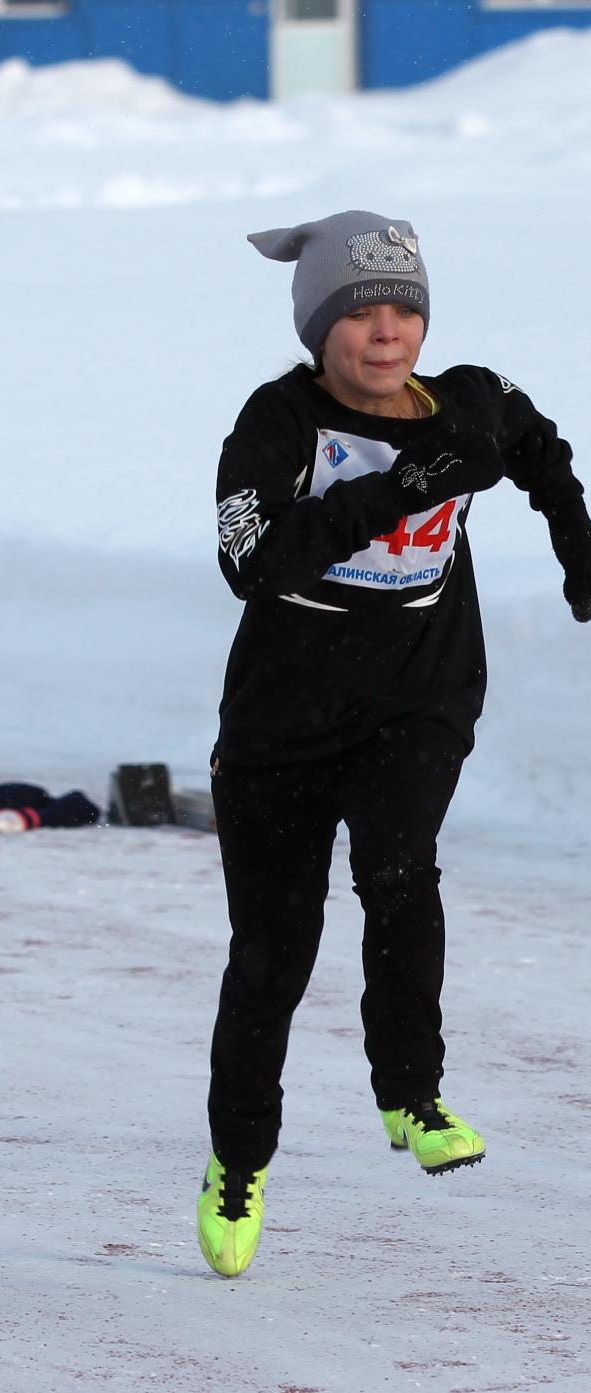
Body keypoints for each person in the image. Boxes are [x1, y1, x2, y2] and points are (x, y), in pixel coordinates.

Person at [196, 210, 591, 1277]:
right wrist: (400, 489)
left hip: (416, 695)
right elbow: (251, 560)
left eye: (402, 308)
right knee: (271, 955)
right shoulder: (275, 422)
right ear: (315, 326)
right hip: (280, 721)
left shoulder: (466, 400)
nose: (384, 332)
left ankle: (409, 1093)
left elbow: (541, 454)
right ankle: (237, 1158)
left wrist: (576, 548)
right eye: (357, 311)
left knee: (398, 866)